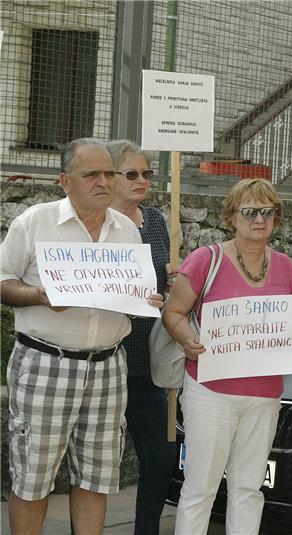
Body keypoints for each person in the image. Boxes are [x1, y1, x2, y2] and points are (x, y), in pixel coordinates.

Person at [0, 138, 163, 535]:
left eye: (109, 172)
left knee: (97, 475)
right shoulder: (35, 222)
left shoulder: (125, 229)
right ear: (65, 181)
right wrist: (37, 295)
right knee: (34, 476)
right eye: (91, 174)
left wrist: (146, 298)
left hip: (108, 366)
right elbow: (2, 281)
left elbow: (130, 292)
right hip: (45, 363)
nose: (104, 181)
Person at [162, 179, 292, 535]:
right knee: (200, 489)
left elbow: (288, 323)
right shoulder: (205, 260)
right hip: (211, 392)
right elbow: (173, 313)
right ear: (232, 217)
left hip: (264, 396)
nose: (259, 219)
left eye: (268, 212)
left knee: (249, 489)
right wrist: (189, 339)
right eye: (249, 212)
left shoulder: (287, 268)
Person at [106, 139, 176, 535]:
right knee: (95, 457)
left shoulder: (154, 220)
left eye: (147, 173)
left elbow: (164, 279)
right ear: (109, 177)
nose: (142, 180)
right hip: (105, 358)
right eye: (131, 173)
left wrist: (171, 286)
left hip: (149, 360)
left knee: (161, 454)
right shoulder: (94, 225)